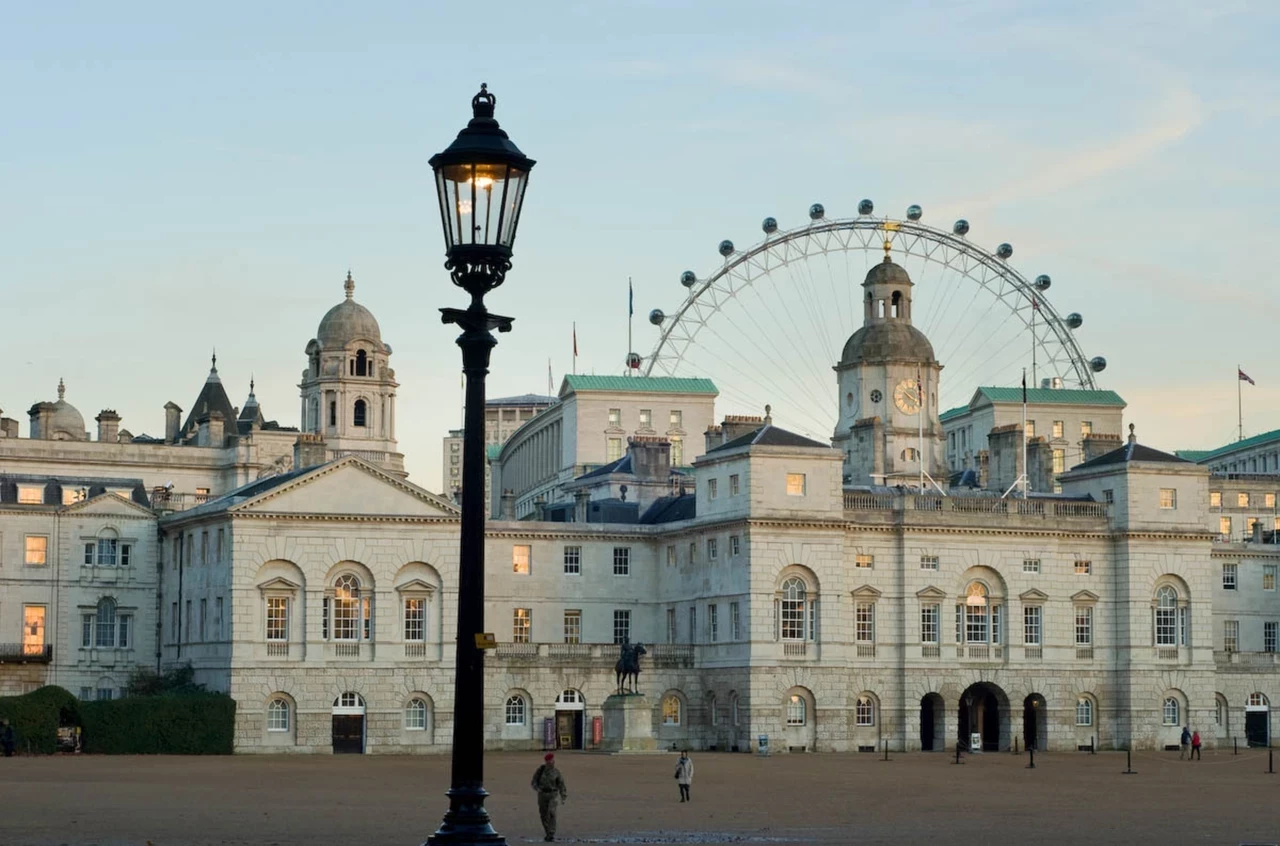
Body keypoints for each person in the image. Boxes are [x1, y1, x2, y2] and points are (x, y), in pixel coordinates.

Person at [531, 752, 567, 842]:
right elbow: (534, 781)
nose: (552, 762)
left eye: (553, 760)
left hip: (553, 794)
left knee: (552, 812)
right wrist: (537, 788)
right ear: (547, 761)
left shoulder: (556, 772)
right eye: (550, 760)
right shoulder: (540, 770)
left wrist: (563, 796)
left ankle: (551, 833)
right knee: (543, 815)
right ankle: (547, 832)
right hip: (542, 795)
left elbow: (561, 784)